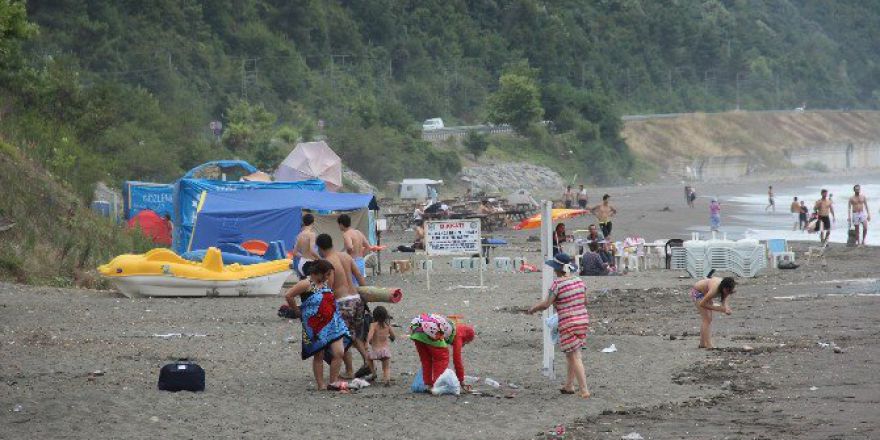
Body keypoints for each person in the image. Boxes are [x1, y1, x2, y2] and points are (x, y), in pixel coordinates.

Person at [527, 253, 590, 398]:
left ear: (556, 269)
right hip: (583, 319)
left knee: (574, 356)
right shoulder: (579, 281)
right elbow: (586, 301)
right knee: (572, 354)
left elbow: (546, 304)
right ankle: (569, 385)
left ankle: (584, 389)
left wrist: (533, 309)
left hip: (568, 321)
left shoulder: (557, 284)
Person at [283, 260, 348, 390]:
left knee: (339, 352)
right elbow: (289, 295)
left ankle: (333, 382)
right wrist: (297, 311)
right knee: (319, 354)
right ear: (320, 273)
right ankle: (321, 384)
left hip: (333, 323)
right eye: (327, 274)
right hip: (315, 326)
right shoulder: (306, 283)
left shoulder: (324, 284)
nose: (329, 277)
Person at [316, 234, 371, 379]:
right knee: (355, 336)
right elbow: (359, 276)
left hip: (343, 302)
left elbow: (330, 286)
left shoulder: (328, 262)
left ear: (320, 248)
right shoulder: (346, 257)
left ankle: (350, 370)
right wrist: (367, 297)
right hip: (357, 299)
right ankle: (367, 361)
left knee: (342, 337)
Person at [409, 314, 475, 391]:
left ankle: (428, 384)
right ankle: (437, 384)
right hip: (431, 329)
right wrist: (461, 380)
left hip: (416, 327)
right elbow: (457, 360)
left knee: (426, 359)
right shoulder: (459, 335)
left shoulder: (453, 326)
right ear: (466, 338)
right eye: (465, 343)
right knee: (442, 357)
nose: (463, 345)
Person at [690, 277, 736, 349]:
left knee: (708, 319)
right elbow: (702, 304)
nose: (727, 293)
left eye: (729, 292)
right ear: (723, 287)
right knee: (706, 319)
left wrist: (726, 308)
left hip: (705, 293)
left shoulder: (727, 289)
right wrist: (719, 309)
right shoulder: (714, 290)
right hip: (697, 293)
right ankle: (709, 345)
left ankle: (702, 343)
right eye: (727, 291)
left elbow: (724, 298)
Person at [366, 306, 396, 386]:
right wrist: (389, 337)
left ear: (374, 316)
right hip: (385, 351)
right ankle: (387, 380)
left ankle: (374, 373)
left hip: (375, 351)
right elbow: (393, 336)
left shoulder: (373, 325)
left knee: (368, 358)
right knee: (386, 368)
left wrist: (368, 342)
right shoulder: (387, 325)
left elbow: (370, 335)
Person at [338, 214, 369, 283]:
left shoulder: (346, 234)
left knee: (353, 285)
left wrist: (346, 256)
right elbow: (367, 246)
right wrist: (362, 255)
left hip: (352, 262)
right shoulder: (358, 232)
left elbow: (350, 247)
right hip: (361, 261)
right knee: (361, 283)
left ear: (341, 224)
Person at [293, 213, 320, 279]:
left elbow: (294, 252)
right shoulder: (311, 234)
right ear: (313, 222)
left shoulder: (300, 235)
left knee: (304, 286)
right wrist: (320, 259)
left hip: (301, 263)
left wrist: (303, 256)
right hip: (309, 264)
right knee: (312, 286)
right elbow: (312, 250)